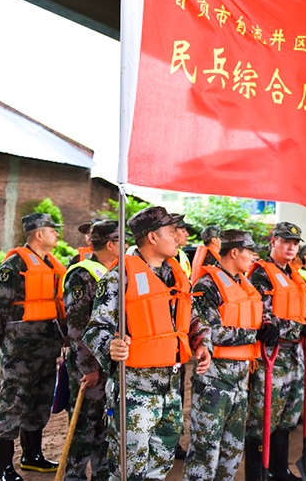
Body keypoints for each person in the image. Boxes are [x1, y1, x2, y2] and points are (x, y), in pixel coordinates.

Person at [83, 206, 212, 481]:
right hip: (134, 391)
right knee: (128, 471)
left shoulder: (176, 275)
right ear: (152, 237)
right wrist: (111, 346)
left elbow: (193, 318)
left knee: (160, 467)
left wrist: (202, 343)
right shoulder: (120, 277)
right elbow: (96, 330)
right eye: (171, 231)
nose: (178, 237)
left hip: (170, 390)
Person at [186, 229, 277, 481]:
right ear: (234, 252)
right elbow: (209, 331)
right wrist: (254, 334)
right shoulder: (207, 284)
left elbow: (258, 314)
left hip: (240, 379)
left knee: (232, 450)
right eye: (249, 251)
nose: (253, 256)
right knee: (206, 449)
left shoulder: (243, 282)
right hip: (215, 377)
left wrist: (268, 324)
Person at [0, 213, 66, 481]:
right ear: (38, 234)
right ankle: (4, 469)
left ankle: (32, 457)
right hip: (19, 349)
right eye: (52, 230)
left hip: (47, 346)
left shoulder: (52, 264)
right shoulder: (14, 264)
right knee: (13, 403)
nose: (56, 234)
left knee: (39, 402)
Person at [246, 222, 306, 481]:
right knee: (262, 419)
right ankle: (257, 475)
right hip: (270, 359)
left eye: (295, 243)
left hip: (295, 357)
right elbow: (262, 316)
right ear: (273, 241)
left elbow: (305, 312)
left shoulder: (295, 276)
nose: (291, 247)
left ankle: (279, 469)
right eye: (286, 241)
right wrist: (298, 328)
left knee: (287, 417)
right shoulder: (260, 275)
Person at [61, 220, 122, 481]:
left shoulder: (115, 271)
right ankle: (74, 475)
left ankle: (101, 473)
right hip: (89, 366)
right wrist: (89, 367)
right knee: (84, 425)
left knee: (104, 424)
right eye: (122, 241)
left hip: (108, 363)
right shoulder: (82, 275)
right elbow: (76, 327)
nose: (127, 246)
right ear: (110, 244)